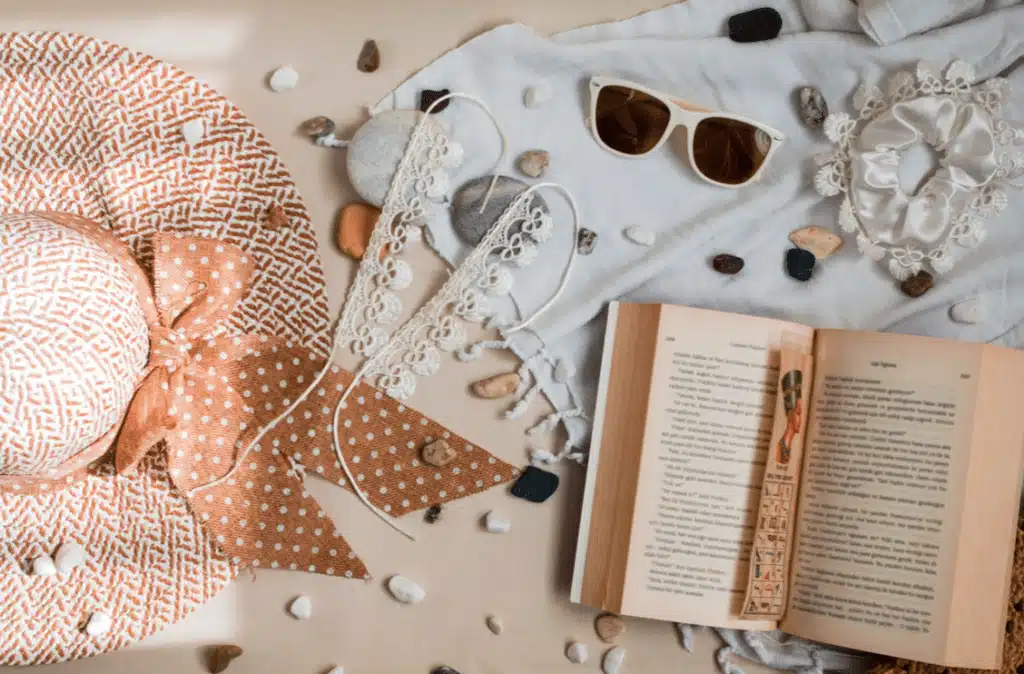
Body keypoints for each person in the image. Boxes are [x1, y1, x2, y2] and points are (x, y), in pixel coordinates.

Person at [776, 370, 803, 465]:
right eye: (798, 413)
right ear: (790, 413)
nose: (801, 420)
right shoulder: (781, 445)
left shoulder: (787, 444)